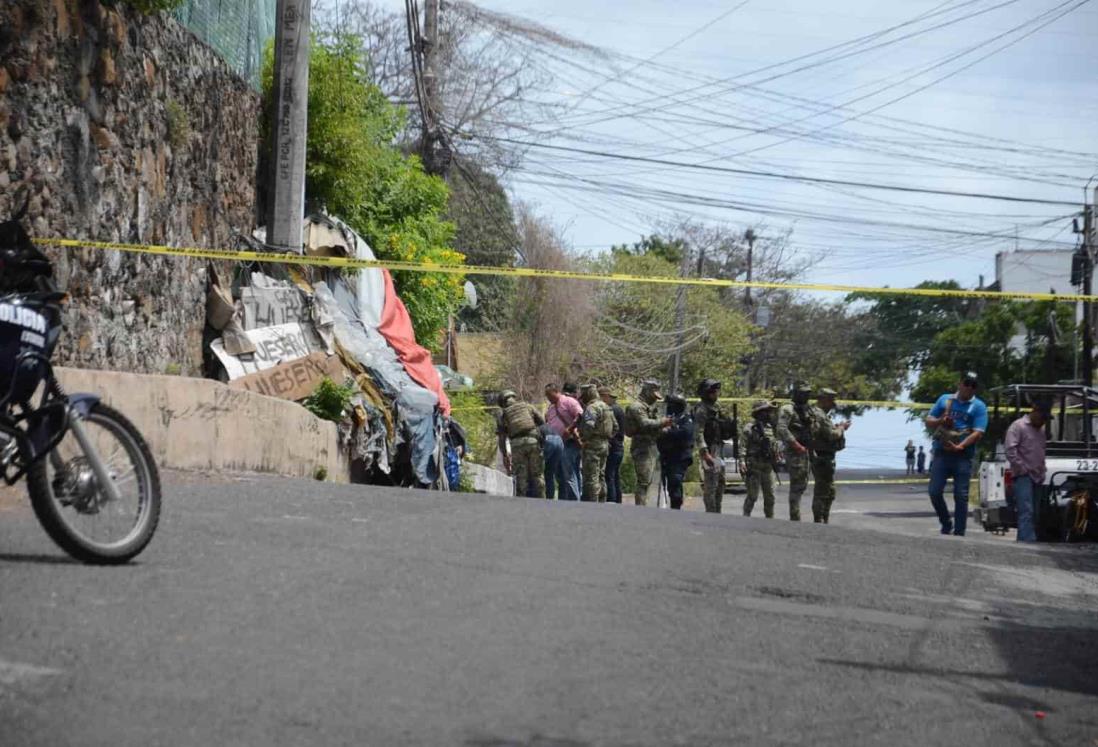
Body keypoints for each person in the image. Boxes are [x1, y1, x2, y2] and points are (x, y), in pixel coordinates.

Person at [924, 371, 988, 536]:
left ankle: (959, 531)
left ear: (975, 389)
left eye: (973, 385)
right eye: (966, 383)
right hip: (942, 453)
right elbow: (929, 421)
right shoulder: (945, 400)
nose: (968, 388)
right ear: (960, 383)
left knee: (961, 495)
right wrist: (941, 421)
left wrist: (961, 446)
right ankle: (946, 522)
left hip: (962, 456)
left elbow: (978, 432)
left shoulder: (979, 406)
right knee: (934, 492)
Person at [1004, 398, 1050, 543]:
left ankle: (1025, 540)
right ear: (1035, 411)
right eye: (1042, 417)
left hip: (1038, 475)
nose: (1043, 421)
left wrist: (1042, 470)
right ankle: (1028, 542)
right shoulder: (1018, 426)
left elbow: (1041, 451)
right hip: (1024, 475)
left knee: (1035, 512)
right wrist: (1021, 468)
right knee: (1026, 510)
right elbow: (1010, 450)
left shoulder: (1041, 431)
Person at [623, 380, 669, 507]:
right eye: (653, 396)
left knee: (648, 481)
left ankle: (643, 505)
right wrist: (662, 422)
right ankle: (641, 508)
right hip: (642, 448)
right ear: (647, 392)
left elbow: (653, 425)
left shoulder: (648, 407)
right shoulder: (637, 407)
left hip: (651, 446)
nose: (655, 399)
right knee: (643, 481)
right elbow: (645, 423)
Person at [810, 387, 851, 524]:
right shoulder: (819, 414)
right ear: (823, 400)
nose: (833, 404)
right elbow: (832, 435)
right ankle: (819, 520)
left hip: (827, 457)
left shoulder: (821, 415)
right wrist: (841, 428)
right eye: (830, 400)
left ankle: (824, 519)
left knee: (830, 492)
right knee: (821, 492)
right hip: (821, 457)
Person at [496, 390, 546, 498]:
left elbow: (502, 437)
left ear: (502, 403)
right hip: (533, 442)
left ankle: (521, 502)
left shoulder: (503, 415)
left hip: (517, 446)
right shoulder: (528, 406)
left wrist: (505, 455)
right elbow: (542, 422)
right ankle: (543, 500)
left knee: (520, 477)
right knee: (537, 474)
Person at [776, 382, 814, 521]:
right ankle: (795, 518)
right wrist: (795, 444)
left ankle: (796, 515)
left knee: (802, 484)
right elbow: (781, 428)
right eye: (803, 393)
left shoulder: (806, 409)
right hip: (795, 451)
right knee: (796, 487)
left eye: (808, 393)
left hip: (806, 451)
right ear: (796, 393)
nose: (806, 396)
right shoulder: (788, 409)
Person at [693, 378, 731, 513]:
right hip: (710, 450)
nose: (717, 394)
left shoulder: (717, 407)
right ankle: (711, 514)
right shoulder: (702, 410)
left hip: (719, 448)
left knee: (721, 482)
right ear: (707, 393)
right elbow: (698, 433)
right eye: (714, 392)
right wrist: (705, 453)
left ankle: (717, 512)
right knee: (711, 485)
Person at [740, 400, 779, 518]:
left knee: (770, 496)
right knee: (752, 495)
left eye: (768, 411)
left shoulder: (770, 427)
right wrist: (742, 461)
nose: (768, 414)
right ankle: (746, 516)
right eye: (766, 411)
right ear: (759, 412)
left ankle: (769, 519)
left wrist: (776, 453)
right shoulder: (750, 427)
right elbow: (743, 446)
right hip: (754, 466)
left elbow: (774, 444)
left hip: (768, 466)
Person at [578, 383, 617, 502]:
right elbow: (615, 427)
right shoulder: (606, 406)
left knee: (591, 477)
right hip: (605, 445)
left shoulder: (592, 407)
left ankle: (593, 504)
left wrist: (584, 439)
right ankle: (602, 501)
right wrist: (606, 438)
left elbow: (589, 425)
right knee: (601, 475)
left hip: (592, 445)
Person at [545, 383, 583, 501]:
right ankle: (564, 500)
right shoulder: (550, 408)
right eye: (546, 396)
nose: (548, 398)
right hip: (557, 445)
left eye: (549, 395)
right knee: (561, 475)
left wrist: (570, 429)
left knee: (570, 473)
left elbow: (580, 415)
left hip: (570, 442)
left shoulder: (569, 401)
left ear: (556, 392)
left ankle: (575, 501)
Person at [656, 393, 694, 510]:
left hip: (680, 457)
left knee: (675, 481)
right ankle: (674, 504)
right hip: (668, 456)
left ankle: (676, 508)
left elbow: (685, 433)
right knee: (670, 484)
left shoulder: (686, 418)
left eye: (671, 405)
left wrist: (668, 432)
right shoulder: (670, 418)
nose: (669, 407)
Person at [600, 386, 626, 504]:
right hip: (618, 447)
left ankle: (612, 500)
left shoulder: (612, 410)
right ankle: (617, 500)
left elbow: (610, 429)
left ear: (605, 396)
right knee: (615, 476)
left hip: (613, 447)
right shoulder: (617, 408)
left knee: (609, 476)